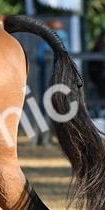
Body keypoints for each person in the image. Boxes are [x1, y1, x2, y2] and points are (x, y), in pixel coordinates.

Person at [34, 18, 71, 146]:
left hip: (47, 79)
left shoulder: (47, 40)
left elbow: (39, 57)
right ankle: (53, 139)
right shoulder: (65, 39)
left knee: (45, 108)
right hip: (61, 80)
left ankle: (42, 139)